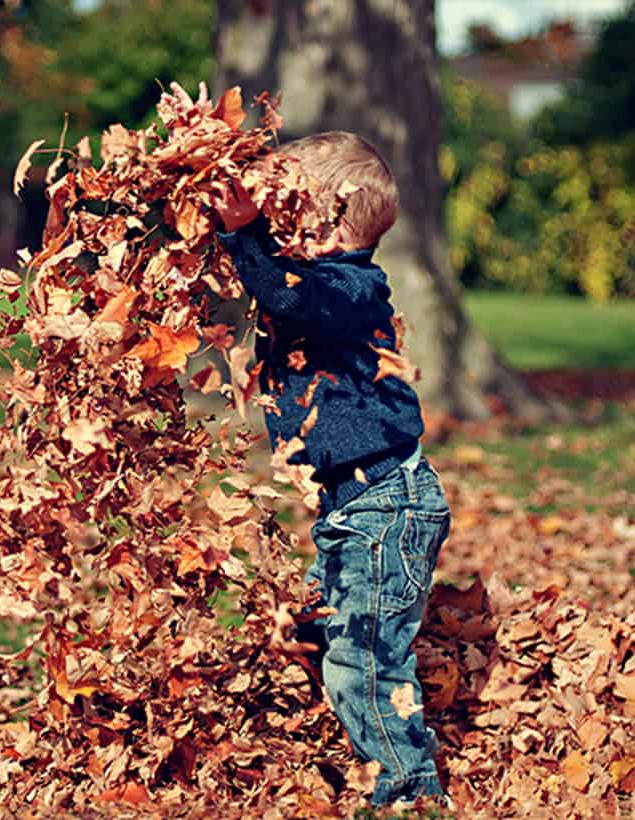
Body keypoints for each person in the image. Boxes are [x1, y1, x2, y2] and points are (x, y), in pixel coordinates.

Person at [214, 131, 451, 807]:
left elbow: (285, 295)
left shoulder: (351, 288)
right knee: (319, 628)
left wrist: (244, 235)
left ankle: (409, 790)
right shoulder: (319, 283)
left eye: (287, 210)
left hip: (386, 507)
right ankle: (353, 743)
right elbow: (272, 283)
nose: (274, 223)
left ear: (327, 218)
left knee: (365, 662)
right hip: (354, 509)